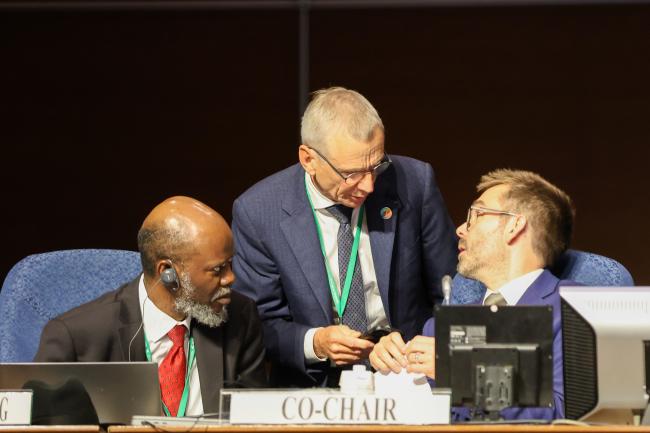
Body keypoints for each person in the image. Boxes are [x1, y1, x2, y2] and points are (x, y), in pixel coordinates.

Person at [232, 86, 458, 387]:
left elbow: (453, 293)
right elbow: (260, 326)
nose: (368, 187)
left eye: (376, 166)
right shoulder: (259, 212)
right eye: (351, 174)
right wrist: (315, 342)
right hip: (314, 385)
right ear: (308, 159)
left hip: (406, 375)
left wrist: (424, 344)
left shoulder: (414, 183)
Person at [369, 169, 575, 420]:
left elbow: (570, 413)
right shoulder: (439, 327)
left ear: (514, 225)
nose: (459, 229)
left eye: (476, 214)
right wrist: (390, 373)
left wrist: (462, 374)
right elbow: (421, 416)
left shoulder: (573, 309)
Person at [35, 196, 267, 417]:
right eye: (217, 270)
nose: (230, 279)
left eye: (229, 265)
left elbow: (253, 420)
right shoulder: (76, 338)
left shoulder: (240, 318)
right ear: (168, 273)